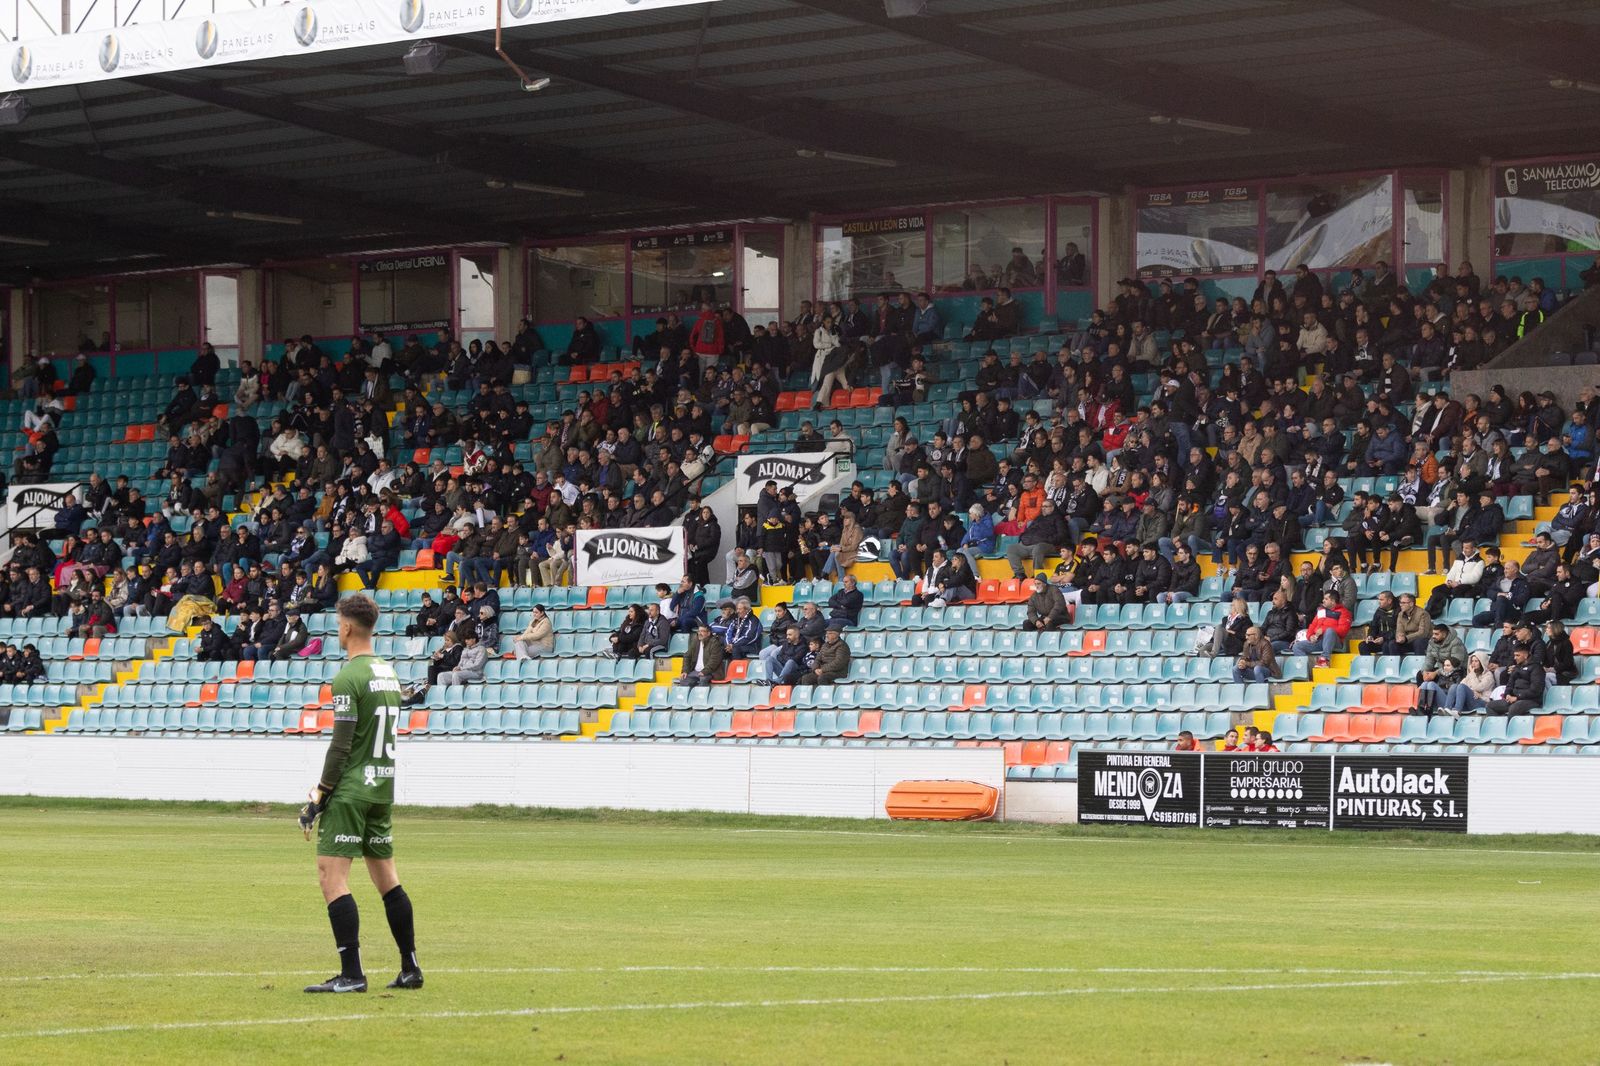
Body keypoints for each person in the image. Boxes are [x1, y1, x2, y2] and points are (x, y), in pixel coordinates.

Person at [296, 594, 422, 994]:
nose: (338, 630)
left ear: (347, 627)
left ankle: (352, 974)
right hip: (381, 788)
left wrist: (319, 796)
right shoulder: (388, 673)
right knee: (387, 879)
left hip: (350, 790)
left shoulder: (348, 677)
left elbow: (341, 745)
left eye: (338, 624)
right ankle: (410, 967)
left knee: (331, 877)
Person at [1485, 643, 1545, 716]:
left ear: (1526, 655)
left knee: (1514, 708)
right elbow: (1509, 684)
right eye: (1514, 655)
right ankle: (1498, 726)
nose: (1515, 658)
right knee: (1490, 706)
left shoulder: (1536, 668)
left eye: (1518, 655)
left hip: (1531, 700)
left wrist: (1517, 697)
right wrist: (1507, 695)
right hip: (1514, 699)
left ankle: (1509, 726)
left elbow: (1536, 690)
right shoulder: (1516, 668)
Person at [675, 621, 726, 687]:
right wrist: (685, 671)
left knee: (703, 679)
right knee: (684, 680)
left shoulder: (714, 643)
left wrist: (704, 671)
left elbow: (714, 661)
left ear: (708, 633)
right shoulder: (695, 641)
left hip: (711, 672)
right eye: (699, 631)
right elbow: (687, 656)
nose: (699, 633)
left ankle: (702, 696)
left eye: (702, 631)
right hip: (696, 671)